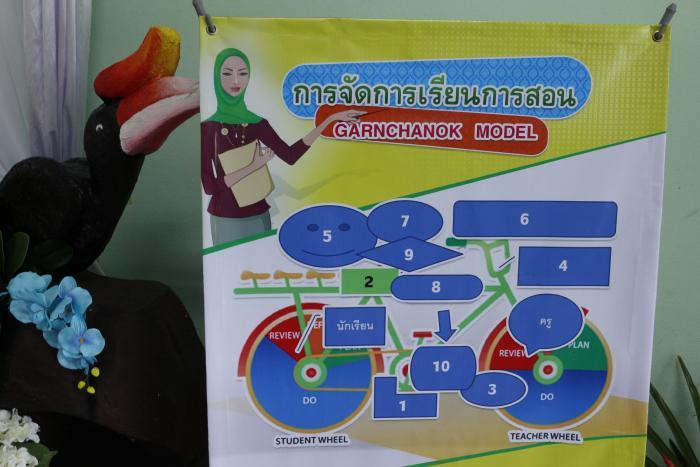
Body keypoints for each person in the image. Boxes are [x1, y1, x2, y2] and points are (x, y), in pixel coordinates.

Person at [201, 48, 362, 246]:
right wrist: (254, 166)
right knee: (227, 265)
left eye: (242, 73)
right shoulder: (208, 128)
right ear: (216, 77)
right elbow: (210, 187)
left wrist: (328, 121)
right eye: (227, 73)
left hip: (258, 215)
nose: (236, 81)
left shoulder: (258, 123)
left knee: (260, 265)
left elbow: (290, 156)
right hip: (225, 217)